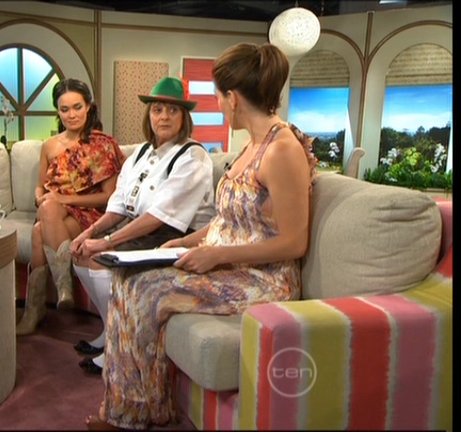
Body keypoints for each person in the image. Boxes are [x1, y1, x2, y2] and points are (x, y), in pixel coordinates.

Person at [83, 43, 319, 431]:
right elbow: (230, 219)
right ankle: (137, 407)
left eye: (219, 97)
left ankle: (132, 416)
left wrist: (216, 256)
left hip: (263, 280)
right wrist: (186, 242)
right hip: (228, 263)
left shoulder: (282, 150)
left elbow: (295, 242)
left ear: (233, 98)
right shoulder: (252, 145)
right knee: (128, 278)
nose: (220, 105)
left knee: (146, 290)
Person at [70, 76, 217, 376]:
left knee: (100, 260)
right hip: (144, 229)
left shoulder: (193, 156)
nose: (164, 117)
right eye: (157, 110)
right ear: (148, 115)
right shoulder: (140, 153)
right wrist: (89, 233)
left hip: (179, 236)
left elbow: (159, 217)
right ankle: (108, 331)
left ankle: (115, 346)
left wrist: (107, 242)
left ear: (184, 118)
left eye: (173, 111)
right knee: (81, 255)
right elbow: (118, 205)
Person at [16, 78, 125, 336]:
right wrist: (40, 198)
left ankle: (36, 309)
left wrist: (64, 199)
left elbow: (108, 197)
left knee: (39, 230)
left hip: (90, 214)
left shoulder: (103, 145)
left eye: (77, 107)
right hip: (53, 210)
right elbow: (40, 187)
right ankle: (62, 290)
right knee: (47, 210)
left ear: (88, 107)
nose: (71, 115)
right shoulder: (49, 146)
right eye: (65, 109)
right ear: (58, 111)